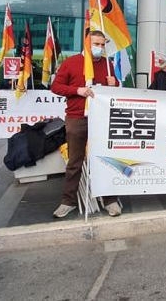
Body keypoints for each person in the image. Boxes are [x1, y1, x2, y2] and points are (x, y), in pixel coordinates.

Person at [51, 31, 121, 218]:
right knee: (75, 161)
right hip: (77, 118)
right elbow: (56, 87)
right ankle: (68, 201)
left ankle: (110, 199)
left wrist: (115, 83)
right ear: (87, 44)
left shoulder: (107, 64)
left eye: (102, 44)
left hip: (102, 118)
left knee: (105, 159)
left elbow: (114, 91)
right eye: (96, 44)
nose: (100, 48)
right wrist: (77, 90)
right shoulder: (71, 62)